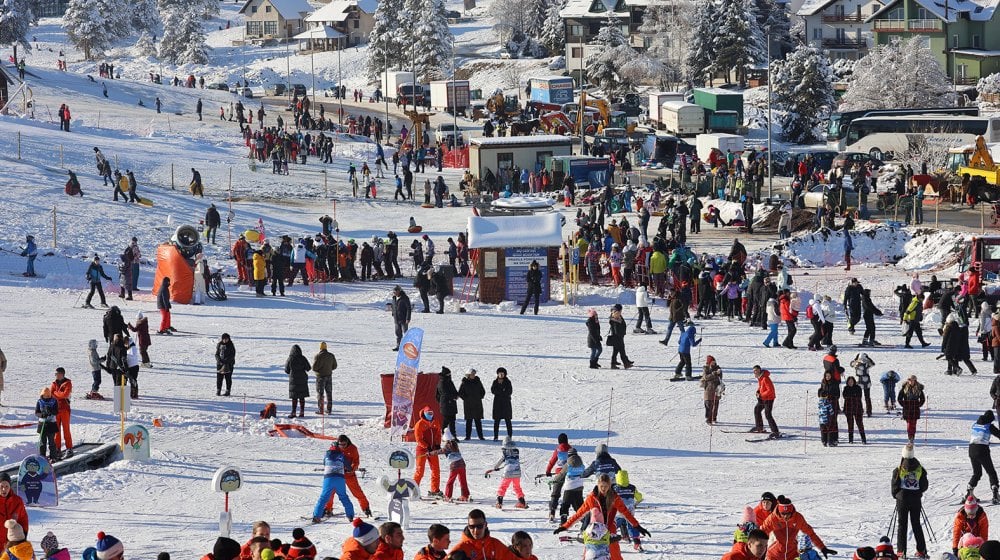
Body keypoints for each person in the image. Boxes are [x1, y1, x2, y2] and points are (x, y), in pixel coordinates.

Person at [554, 473, 649, 560]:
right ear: (598, 485)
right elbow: (579, 514)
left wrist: (637, 526)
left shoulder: (614, 497)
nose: (603, 488)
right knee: (589, 554)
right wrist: (565, 526)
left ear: (610, 486)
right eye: (601, 486)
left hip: (609, 529)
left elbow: (625, 513)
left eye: (606, 486)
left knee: (615, 554)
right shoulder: (592, 498)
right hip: (594, 531)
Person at [759, 496, 834, 560]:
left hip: (792, 555)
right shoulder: (772, 519)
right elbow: (759, 535)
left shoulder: (798, 518)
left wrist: (822, 548)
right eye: (783, 514)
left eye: (788, 514)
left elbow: (810, 533)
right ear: (779, 511)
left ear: (792, 511)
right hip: (774, 555)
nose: (785, 516)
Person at [892, 443, 929, 559]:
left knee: (902, 525)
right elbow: (924, 485)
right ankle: (921, 550)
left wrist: (896, 495)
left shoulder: (898, 469)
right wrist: (919, 492)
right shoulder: (920, 469)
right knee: (916, 524)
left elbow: (894, 485)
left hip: (902, 499)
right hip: (915, 500)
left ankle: (901, 551)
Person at [310, 441, 355, 523]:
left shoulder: (326, 455)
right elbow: (349, 466)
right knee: (344, 497)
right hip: (339, 478)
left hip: (328, 478)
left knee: (323, 498)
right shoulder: (342, 455)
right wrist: (347, 468)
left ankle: (317, 516)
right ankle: (350, 516)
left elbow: (324, 463)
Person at [451, 509, 516, 560]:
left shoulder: (495, 545)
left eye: (479, 526)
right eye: (472, 527)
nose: (476, 530)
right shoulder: (461, 549)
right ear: (468, 526)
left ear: (485, 525)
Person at [967, 409, 1000, 504]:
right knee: (991, 472)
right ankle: (995, 494)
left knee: (977, 473)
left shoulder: (975, 424)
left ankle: (969, 492)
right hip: (982, 450)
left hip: (971, 449)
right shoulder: (989, 426)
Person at [487, 436, 527, 509]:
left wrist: (495, 468)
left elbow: (501, 460)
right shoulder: (516, 451)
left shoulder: (505, 452)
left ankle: (499, 502)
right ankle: (522, 502)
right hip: (517, 472)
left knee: (503, 487)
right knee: (517, 487)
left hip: (508, 473)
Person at [413, 406, 443, 498]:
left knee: (436, 470)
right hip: (422, 450)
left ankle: (435, 490)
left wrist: (437, 444)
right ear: (424, 414)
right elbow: (418, 439)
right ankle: (414, 490)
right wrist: (426, 447)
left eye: (432, 413)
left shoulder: (436, 422)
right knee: (420, 471)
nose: (430, 415)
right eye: (428, 413)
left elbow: (438, 434)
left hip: (433, 450)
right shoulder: (419, 424)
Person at [0, 474, 27, 553]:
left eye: (7, 486)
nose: (4, 489)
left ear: (10, 486)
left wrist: (22, 539)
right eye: (1, 486)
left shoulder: (18, 501)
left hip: (13, 546)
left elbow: (23, 521)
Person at [752, 365, 780, 438]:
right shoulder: (760, 378)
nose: (754, 372)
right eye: (754, 371)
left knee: (768, 414)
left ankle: (775, 432)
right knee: (757, 410)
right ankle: (759, 428)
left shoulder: (765, 378)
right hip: (763, 398)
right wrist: (758, 391)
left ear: (759, 370)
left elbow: (770, 390)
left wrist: (761, 394)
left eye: (756, 370)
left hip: (769, 399)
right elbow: (761, 386)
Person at [51, 368, 73, 457]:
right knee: (56, 431)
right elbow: (51, 394)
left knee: (66, 429)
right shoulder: (54, 383)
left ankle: (69, 448)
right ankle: (57, 449)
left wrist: (56, 393)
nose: (56, 375)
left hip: (65, 409)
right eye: (56, 374)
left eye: (58, 374)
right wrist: (58, 394)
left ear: (62, 374)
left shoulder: (68, 383)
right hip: (56, 410)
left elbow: (65, 394)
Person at [459, 368, 486, 440]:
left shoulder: (478, 381)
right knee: (469, 421)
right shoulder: (464, 382)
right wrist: (466, 399)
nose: (473, 375)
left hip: (477, 404)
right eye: (472, 374)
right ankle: (468, 436)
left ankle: (481, 436)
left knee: (478, 421)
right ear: (468, 375)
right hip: (468, 405)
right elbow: (460, 393)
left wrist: (479, 397)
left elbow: (483, 391)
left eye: (474, 374)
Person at [284, 345, 310, 419]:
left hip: (293, 380)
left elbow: (286, 370)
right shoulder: (303, 358)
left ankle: (293, 412)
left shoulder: (290, 358)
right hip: (302, 379)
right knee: (302, 396)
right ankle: (302, 412)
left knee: (294, 397)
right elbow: (308, 368)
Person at [898, 375, 925, 442]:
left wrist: (918, 405)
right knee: (909, 423)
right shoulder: (904, 388)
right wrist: (904, 404)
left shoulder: (919, 388)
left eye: (911, 380)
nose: (910, 381)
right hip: (907, 408)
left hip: (915, 408)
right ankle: (910, 436)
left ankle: (912, 436)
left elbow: (922, 398)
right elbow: (899, 398)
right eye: (909, 380)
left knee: (913, 423)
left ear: (915, 380)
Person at [35, 387, 59, 461]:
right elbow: (36, 412)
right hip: (42, 424)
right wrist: (42, 415)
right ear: (42, 395)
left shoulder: (54, 401)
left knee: (51, 441)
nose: (47, 397)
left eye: (48, 396)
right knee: (43, 442)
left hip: (51, 424)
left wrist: (51, 411)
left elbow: (56, 412)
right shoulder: (39, 401)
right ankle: (42, 457)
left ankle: (53, 457)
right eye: (45, 396)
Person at [608, 304, 633, 369]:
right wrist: (621, 334)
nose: (620, 312)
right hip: (617, 338)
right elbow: (616, 331)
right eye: (619, 311)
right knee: (622, 351)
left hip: (619, 337)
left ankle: (614, 363)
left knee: (615, 351)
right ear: (616, 311)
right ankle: (626, 364)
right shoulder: (614, 319)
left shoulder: (618, 317)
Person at [843, 376, 867, 444]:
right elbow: (845, 396)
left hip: (857, 407)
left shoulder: (858, 388)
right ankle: (851, 439)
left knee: (860, 423)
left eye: (852, 381)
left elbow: (859, 396)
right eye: (849, 381)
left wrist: (851, 395)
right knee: (850, 424)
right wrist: (852, 395)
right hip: (848, 408)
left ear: (854, 381)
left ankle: (863, 438)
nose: (850, 383)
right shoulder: (846, 388)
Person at [436, 367, 459, 439]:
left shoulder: (449, 381)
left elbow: (454, 390)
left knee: (452, 421)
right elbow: (445, 393)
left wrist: (456, 395)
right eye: (449, 374)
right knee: (446, 421)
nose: (450, 375)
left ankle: (453, 435)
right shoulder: (442, 382)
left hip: (451, 403)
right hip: (446, 404)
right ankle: (444, 435)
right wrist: (454, 396)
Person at [491, 368, 513, 440]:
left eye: (502, 373)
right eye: (499, 373)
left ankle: (510, 436)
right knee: (496, 421)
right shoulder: (495, 382)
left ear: (505, 374)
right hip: (497, 404)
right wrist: (502, 390)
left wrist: (500, 391)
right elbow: (493, 390)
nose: (501, 375)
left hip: (506, 404)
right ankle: (495, 437)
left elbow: (509, 391)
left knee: (508, 421)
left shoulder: (508, 382)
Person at [701, 356, 723, 424]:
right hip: (708, 388)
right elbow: (705, 377)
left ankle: (714, 418)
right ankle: (708, 419)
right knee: (708, 404)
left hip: (716, 388)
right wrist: (714, 374)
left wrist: (719, 373)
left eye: (714, 362)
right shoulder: (706, 369)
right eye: (712, 362)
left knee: (716, 404)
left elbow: (720, 377)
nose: (714, 363)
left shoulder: (718, 368)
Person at [390, 286, 411, 351]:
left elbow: (408, 308)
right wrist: (393, 313)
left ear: (399, 291)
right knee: (398, 333)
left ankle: (408, 347)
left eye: (396, 291)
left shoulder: (405, 298)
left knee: (406, 333)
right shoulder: (394, 298)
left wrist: (408, 318)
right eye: (394, 292)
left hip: (403, 319)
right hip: (396, 319)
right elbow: (393, 306)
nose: (394, 293)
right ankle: (398, 346)